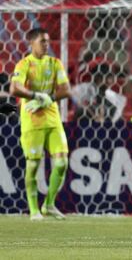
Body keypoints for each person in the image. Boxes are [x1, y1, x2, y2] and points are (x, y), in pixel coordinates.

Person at [10, 27, 71, 221]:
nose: (46, 45)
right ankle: (34, 209)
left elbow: (66, 90)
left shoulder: (55, 63)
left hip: (52, 119)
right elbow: (14, 88)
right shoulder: (24, 64)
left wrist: (49, 98)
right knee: (33, 166)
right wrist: (35, 95)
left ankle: (49, 204)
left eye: (48, 41)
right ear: (31, 43)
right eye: (42, 41)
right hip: (32, 120)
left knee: (62, 163)